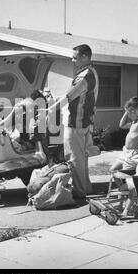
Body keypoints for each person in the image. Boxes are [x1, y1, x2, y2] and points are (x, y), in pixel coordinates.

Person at [48, 44, 99, 199]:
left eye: (75, 57)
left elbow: (70, 96)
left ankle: (80, 191)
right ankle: (86, 188)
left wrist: (49, 110)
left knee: (74, 158)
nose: (72, 60)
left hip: (77, 123)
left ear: (84, 57)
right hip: (85, 121)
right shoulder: (92, 72)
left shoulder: (85, 76)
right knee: (81, 158)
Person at [110, 97, 138, 173]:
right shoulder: (134, 122)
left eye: (128, 114)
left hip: (133, 153)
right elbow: (122, 125)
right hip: (125, 152)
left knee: (126, 175)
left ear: (134, 111)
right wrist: (127, 112)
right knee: (113, 170)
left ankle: (127, 185)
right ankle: (123, 185)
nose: (128, 116)